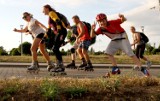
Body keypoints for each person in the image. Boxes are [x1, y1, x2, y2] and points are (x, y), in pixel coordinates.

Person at [43, 4, 70, 73]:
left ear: (47, 8)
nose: (42, 12)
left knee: (55, 48)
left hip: (61, 32)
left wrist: (59, 30)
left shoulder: (51, 13)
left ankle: (60, 66)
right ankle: (59, 65)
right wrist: (44, 38)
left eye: (43, 10)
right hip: (59, 32)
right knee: (55, 48)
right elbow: (48, 30)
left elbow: (57, 20)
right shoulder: (49, 17)